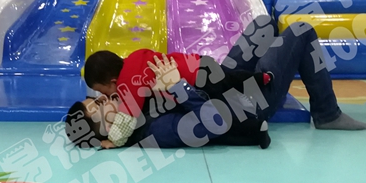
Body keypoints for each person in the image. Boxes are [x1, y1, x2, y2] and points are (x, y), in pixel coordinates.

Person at [65, 17, 366, 150]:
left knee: (264, 24)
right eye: (100, 106)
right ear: (109, 132)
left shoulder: (134, 92)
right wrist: (176, 86)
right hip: (246, 105)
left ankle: (268, 69)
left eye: (99, 96)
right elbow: (213, 121)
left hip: (219, 83)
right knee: (300, 30)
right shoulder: (153, 128)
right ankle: (327, 113)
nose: (107, 99)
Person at [82, 48, 271, 148]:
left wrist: (114, 140)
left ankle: (255, 128)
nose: (106, 97)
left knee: (223, 116)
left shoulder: (127, 84)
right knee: (230, 79)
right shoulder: (135, 59)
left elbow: (127, 118)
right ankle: (259, 78)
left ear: (113, 81)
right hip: (199, 63)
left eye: (104, 92)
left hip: (198, 80)